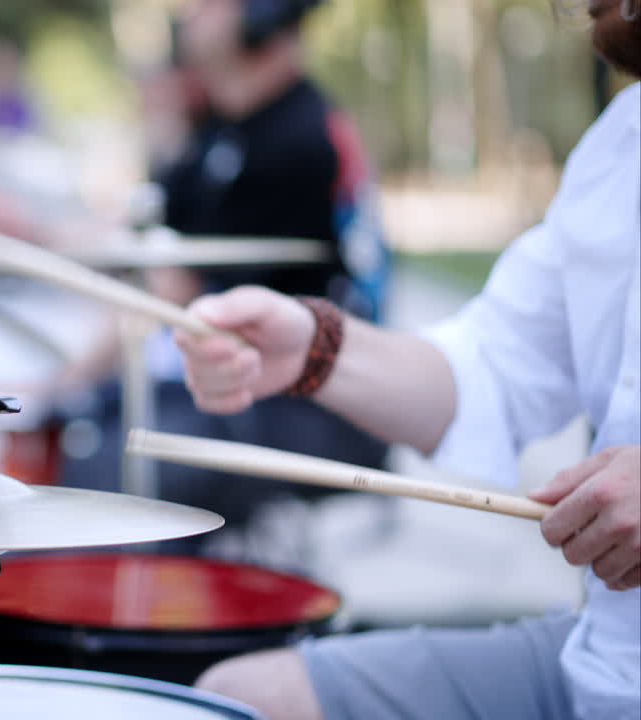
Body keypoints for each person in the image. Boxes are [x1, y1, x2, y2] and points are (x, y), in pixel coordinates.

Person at [173, 1, 641, 717]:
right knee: (238, 699)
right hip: (605, 658)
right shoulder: (619, 147)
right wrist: (312, 347)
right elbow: (491, 369)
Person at [57, 0, 391, 562]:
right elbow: (143, 240)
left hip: (314, 404)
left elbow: (174, 287)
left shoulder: (300, 138)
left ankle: (137, 612)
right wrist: (35, 236)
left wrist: (62, 379)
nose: (190, 13)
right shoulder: (224, 129)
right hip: (240, 382)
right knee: (97, 417)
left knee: (116, 459)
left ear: (264, 13)